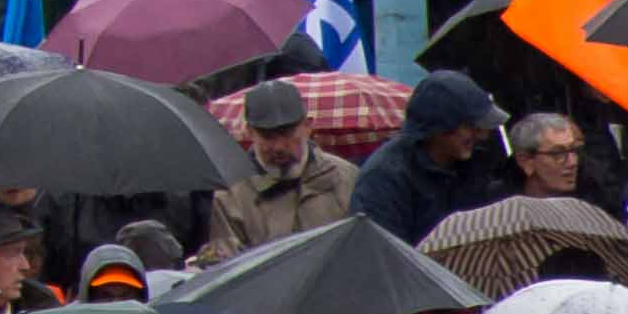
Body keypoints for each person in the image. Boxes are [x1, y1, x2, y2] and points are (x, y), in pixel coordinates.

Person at [354, 71, 518, 247]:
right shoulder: (384, 177)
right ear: (440, 126)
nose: (482, 135)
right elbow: (381, 252)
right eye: (471, 126)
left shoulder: (476, 162)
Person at [209, 80, 361, 258]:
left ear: (307, 126)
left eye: (287, 134)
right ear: (249, 132)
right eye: (268, 137)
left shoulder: (345, 177)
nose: (279, 146)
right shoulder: (231, 195)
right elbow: (228, 268)